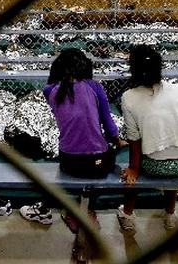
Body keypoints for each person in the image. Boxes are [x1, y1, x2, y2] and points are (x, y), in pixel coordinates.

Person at [19, 48, 121, 231]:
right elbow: (110, 126)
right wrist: (117, 141)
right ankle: (89, 210)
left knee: (75, 154)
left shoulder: (49, 91)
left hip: (70, 162)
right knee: (106, 153)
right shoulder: (95, 87)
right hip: (98, 164)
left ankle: (72, 210)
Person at [117, 44, 178, 232]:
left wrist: (133, 169)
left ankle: (127, 214)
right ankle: (170, 214)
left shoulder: (128, 97)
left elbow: (134, 139)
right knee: (171, 148)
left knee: (132, 172)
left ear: (133, 69)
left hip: (155, 166)